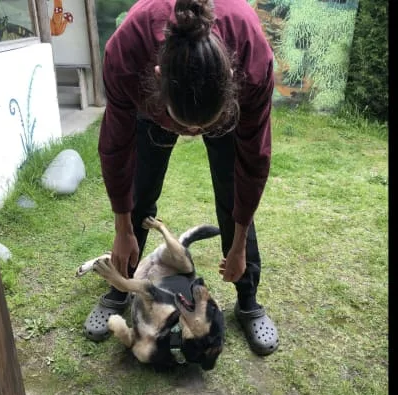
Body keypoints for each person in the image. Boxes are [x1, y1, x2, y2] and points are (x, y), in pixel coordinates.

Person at [83, 0, 279, 356]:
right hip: (155, 102)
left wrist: (237, 247)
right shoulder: (129, 51)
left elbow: (253, 162)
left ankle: (248, 299)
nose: (192, 133)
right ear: (157, 75)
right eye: (185, 124)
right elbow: (116, 148)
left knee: (232, 191)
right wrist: (122, 227)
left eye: (201, 126)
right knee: (140, 190)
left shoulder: (252, 59)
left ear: (231, 79)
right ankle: (120, 286)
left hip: (221, 103)